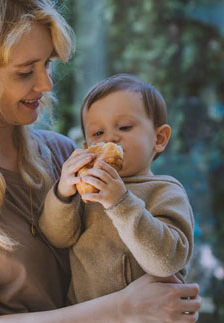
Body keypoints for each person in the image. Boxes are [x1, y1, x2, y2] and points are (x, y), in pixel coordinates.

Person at [0, 1, 201, 322]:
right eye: (25, 71)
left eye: (47, 64)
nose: (47, 84)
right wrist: (124, 308)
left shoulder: (63, 156)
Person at [39, 74, 194, 305]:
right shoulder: (86, 192)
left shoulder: (165, 191)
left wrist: (120, 203)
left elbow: (167, 262)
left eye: (124, 127)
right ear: (87, 147)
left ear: (159, 138)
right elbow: (56, 237)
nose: (111, 137)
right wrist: (63, 194)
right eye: (98, 134)